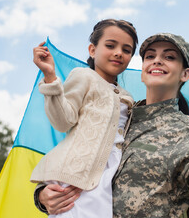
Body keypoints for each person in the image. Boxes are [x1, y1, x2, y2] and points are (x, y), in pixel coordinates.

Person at [34, 33, 189, 218]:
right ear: (142, 71)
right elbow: (76, 161)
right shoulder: (112, 119)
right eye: (150, 56)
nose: (157, 60)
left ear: (185, 74)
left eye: (169, 57)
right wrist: (44, 196)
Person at [30, 19, 138, 218]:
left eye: (127, 49)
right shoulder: (83, 76)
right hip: (78, 178)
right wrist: (50, 77)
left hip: (111, 176)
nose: (118, 53)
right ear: (92, 50)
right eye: (110, 45)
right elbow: (63, 121)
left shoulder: (128, 97)